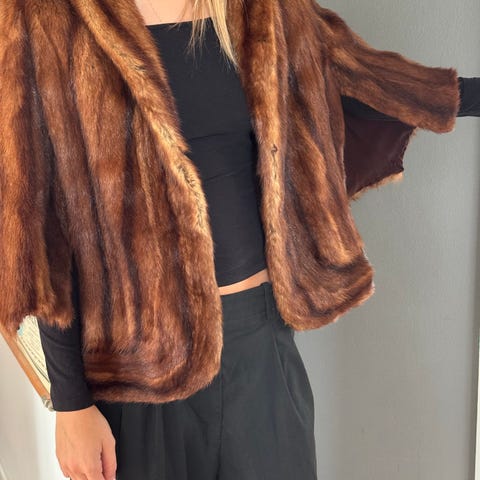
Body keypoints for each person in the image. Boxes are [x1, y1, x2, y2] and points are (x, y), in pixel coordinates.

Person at [0, 0, 478, 479]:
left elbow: (362, 79)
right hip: (135, 374)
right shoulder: (44, 17)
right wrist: (71, 404)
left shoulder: (261, 9)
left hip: (260, 347)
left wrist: (463, 95)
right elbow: (39, 225)